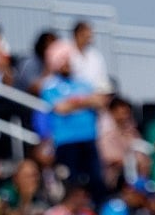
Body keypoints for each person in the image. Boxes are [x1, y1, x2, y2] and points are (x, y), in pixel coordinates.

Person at [39, 40, 108, 206]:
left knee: (96, 180)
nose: (67, 63)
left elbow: (100, 101)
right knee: (70, 182)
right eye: (63, 60)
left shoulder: (83, 82)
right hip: (66, 141)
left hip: (88, 138)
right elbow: (60, 107)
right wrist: (85, 101)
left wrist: (73, 103)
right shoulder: (49, 85)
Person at [69, 20, 110, 93]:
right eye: (85, 35)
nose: (89, 38)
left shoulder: (96, 56)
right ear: (77, 34)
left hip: (93, 98)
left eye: (90, 36)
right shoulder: (65, 52)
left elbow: (102, 80)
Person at [15, 31, 57, 96]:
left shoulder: (58, 64)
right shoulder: (28, 63)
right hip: (22, 102)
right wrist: (49, 69)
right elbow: (34, 89)